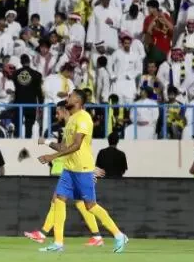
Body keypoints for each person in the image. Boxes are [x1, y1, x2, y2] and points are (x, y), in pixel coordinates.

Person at [37, 89, 129, 253]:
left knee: (91, 206)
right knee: (59, 200)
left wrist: (52, 156)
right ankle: (58, 243)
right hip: (69, 169)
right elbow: (64, 147)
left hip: (83, 169)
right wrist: (48, 143)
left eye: (70, 96)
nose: (68, 97)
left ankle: (119, 235)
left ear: (78, 100)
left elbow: (77, 145)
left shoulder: (84, 118)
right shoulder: (71, 120)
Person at [25, 101, 104, 247]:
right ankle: (96, 236)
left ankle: (45, 235)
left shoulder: (76, 125)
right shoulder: (69, 126)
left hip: (81, 170)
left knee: (79, 203)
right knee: (75, 203)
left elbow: (78, 149)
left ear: (64, 111)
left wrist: (91, 168)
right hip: (73, 170)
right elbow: (65, 148)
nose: (56, 115)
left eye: (57, 112)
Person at [12, 54, 43, 138]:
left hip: (18, 102)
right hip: (31, 103)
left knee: (17, 125)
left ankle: (16, 141)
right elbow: (39, 91)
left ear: (21, 62)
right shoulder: (37, 74)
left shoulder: (15, 74)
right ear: (29, 61)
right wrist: (41, 104)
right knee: (29, 126)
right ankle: (27, 140)